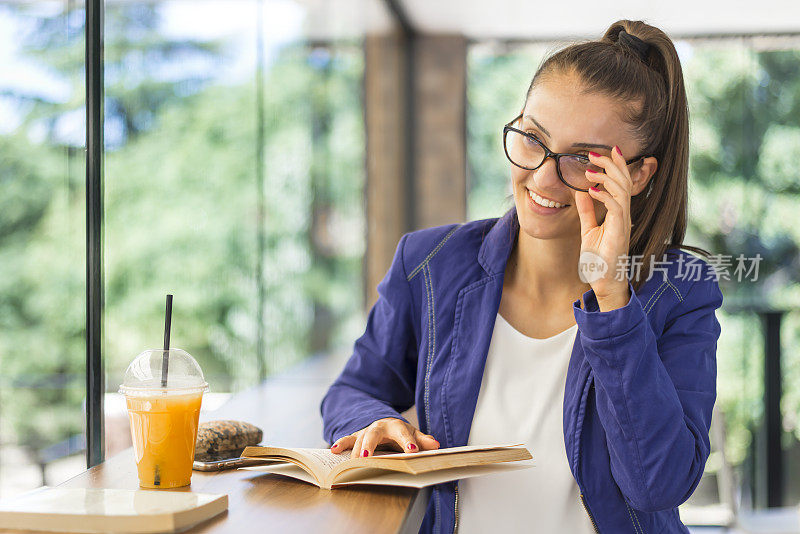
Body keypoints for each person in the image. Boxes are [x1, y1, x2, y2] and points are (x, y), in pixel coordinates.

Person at [320, 19, 723, 534]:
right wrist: (371, 423)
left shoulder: (680, 288)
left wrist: (613, 297)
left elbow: (659, 485)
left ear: (638, 175)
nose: (543, 177)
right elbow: (351, 390)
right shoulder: (429, 263)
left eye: (581, 159)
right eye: (533, 138)